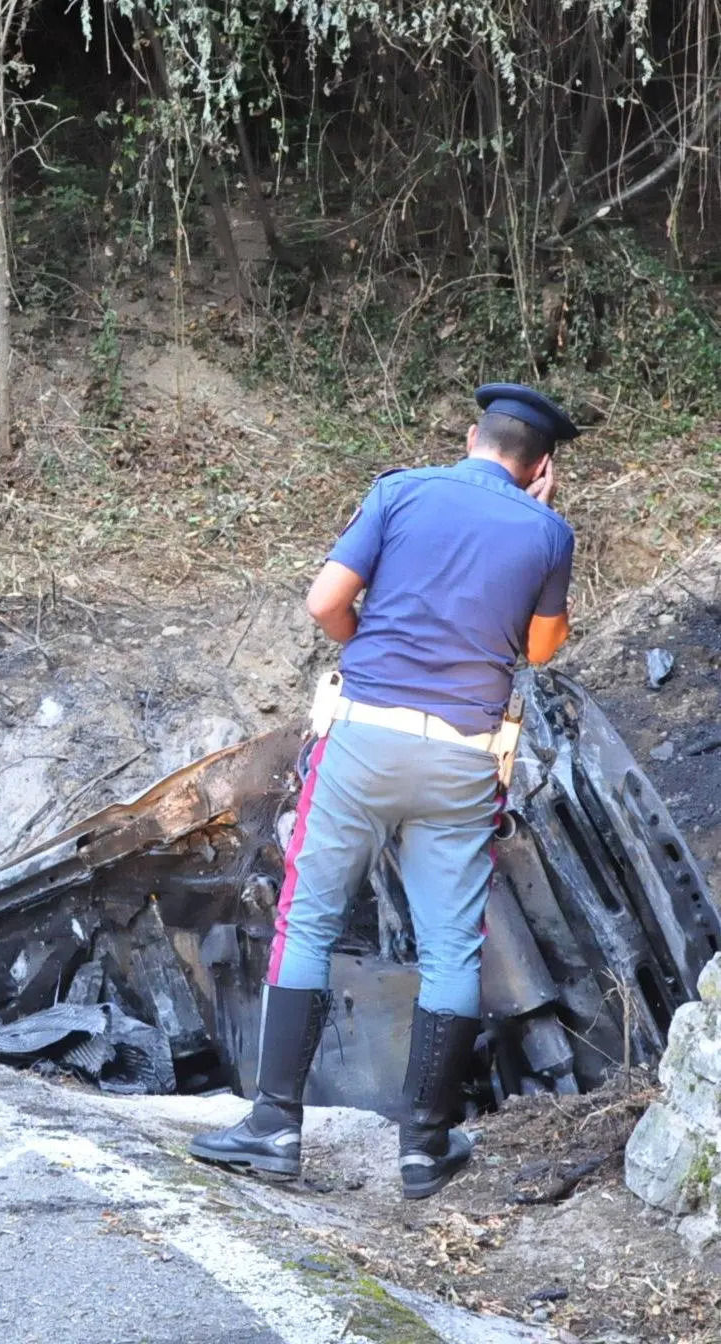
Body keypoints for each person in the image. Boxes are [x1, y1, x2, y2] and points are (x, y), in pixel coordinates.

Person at [190, 383, 578, 1200]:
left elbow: (323, 602)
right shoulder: (549, 532)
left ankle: (273, 1128)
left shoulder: (399, 492)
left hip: (363, 740)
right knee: (451, 947)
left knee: (309, 918)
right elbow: (541, 650)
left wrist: (369, 641)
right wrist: (538, 522)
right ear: (538, 466)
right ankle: (423, 1149)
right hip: (464, 760)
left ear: (472, 436)